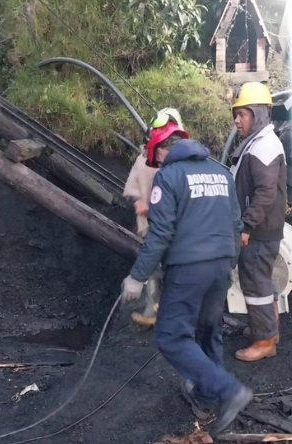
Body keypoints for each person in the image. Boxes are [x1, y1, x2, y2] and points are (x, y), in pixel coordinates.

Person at [120, 122, 252, 436]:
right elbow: (236, 223)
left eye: (156, 159)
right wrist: (228, 262)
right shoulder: (220, 172)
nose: (157, 166)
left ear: (162, 150)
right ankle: (207, 399)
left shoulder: (169, 175)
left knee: (170, 335)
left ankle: (229, 389)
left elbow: (161, 232)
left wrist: (137, 276)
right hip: (221, 264)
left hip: (189, 267)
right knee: (208, 331)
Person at [228, 82, 288, 362]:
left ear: (258, 114)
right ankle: (269, 330)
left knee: (255, 284)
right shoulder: (259, 142)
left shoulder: (264, 146)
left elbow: (265, 193)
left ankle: (264, 342)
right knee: (261, 281)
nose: (237, 121)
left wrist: (246, 226)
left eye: (243, 114)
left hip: (259, 232)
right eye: (236, 115)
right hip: (263, 230)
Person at [122, 108, 185, 326]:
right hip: (150, 226)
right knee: (153, 269)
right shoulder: (143, 159)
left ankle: (169, 313)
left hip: (177, 228)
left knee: (174, 268)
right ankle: (153, 311)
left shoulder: (183, 162)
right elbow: (130, 188)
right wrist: (138, 201)